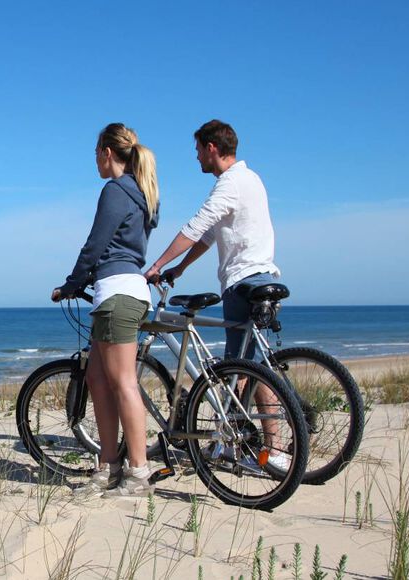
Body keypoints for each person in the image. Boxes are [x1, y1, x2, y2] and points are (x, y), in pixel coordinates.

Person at [144, 119, 289, 470]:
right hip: (260, 276)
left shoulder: (230, 183)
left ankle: (271, 449)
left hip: (244, 282)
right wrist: (180, 269)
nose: (196, 158)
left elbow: (195, 228)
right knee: (250, 367)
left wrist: (158, 264)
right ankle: (256, 448)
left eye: (197, 151)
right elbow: (210, 236)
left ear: (212, 148)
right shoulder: (251, 179)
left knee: (242, 369)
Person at [51, 123, 159, 497]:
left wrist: (70, 283)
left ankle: (139, 473)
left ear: (107, 153)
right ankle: (108, 465)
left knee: (123, 382)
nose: (94, 160)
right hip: (116, 293)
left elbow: (95, 245)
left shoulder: (116, 190)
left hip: (118, 294)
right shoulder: (140, 190)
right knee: (97, 379)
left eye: (96, 152)